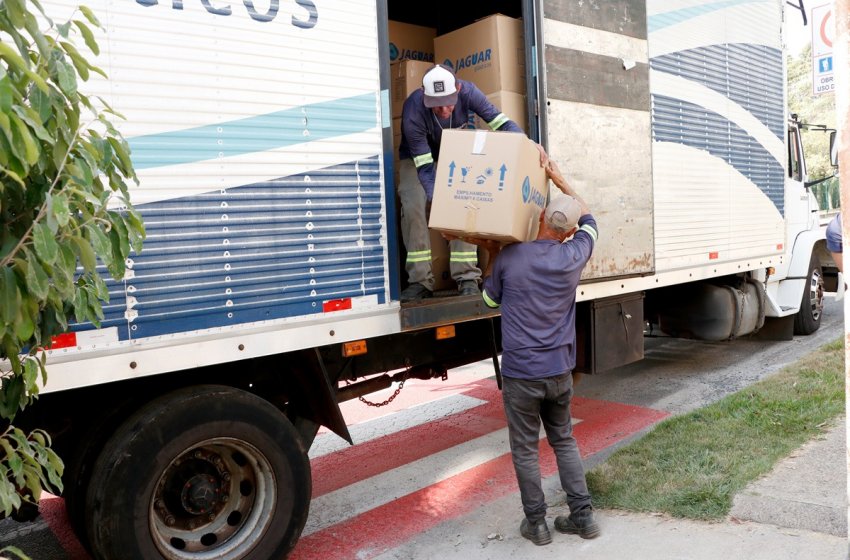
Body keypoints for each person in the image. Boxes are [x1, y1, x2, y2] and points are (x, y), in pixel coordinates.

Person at [479, 160, 600, 546]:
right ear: (568, 233)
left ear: (542, 218)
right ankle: (583, 517)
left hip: (521, 374)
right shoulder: (573, 255)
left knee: (526, 449)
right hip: (559, 371)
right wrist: (561, 179)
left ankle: (537, 524)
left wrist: (492, 252)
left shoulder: (513, 257)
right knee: (563, 440)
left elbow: (486, 299)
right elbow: (591, 219)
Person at [397, 64, 527, 302]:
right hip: (417, 158)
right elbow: (425, 168)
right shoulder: (413, 109)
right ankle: (419, 281)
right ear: (425, 97)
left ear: (457, 89)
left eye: (449, 102)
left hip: (455, 151)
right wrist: (440, 203)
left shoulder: (469, 92)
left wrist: (529, 147)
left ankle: (467, 277)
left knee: (464, 198)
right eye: (437, 105)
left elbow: (503, 125)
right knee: (413, 204)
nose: (445, 109)